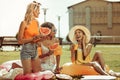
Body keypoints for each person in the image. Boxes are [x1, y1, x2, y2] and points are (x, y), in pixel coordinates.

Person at [17, 1, 41, 75]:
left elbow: (37, 39)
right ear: (33, 10)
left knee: (37, 73)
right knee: (28, 74)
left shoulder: (37, 22)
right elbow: (20, 41)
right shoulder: (24, 23)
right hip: (26, 51)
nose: (39, 12)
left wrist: (42, 38)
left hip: (35, 49)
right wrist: (32, 39)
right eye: (38, 10)